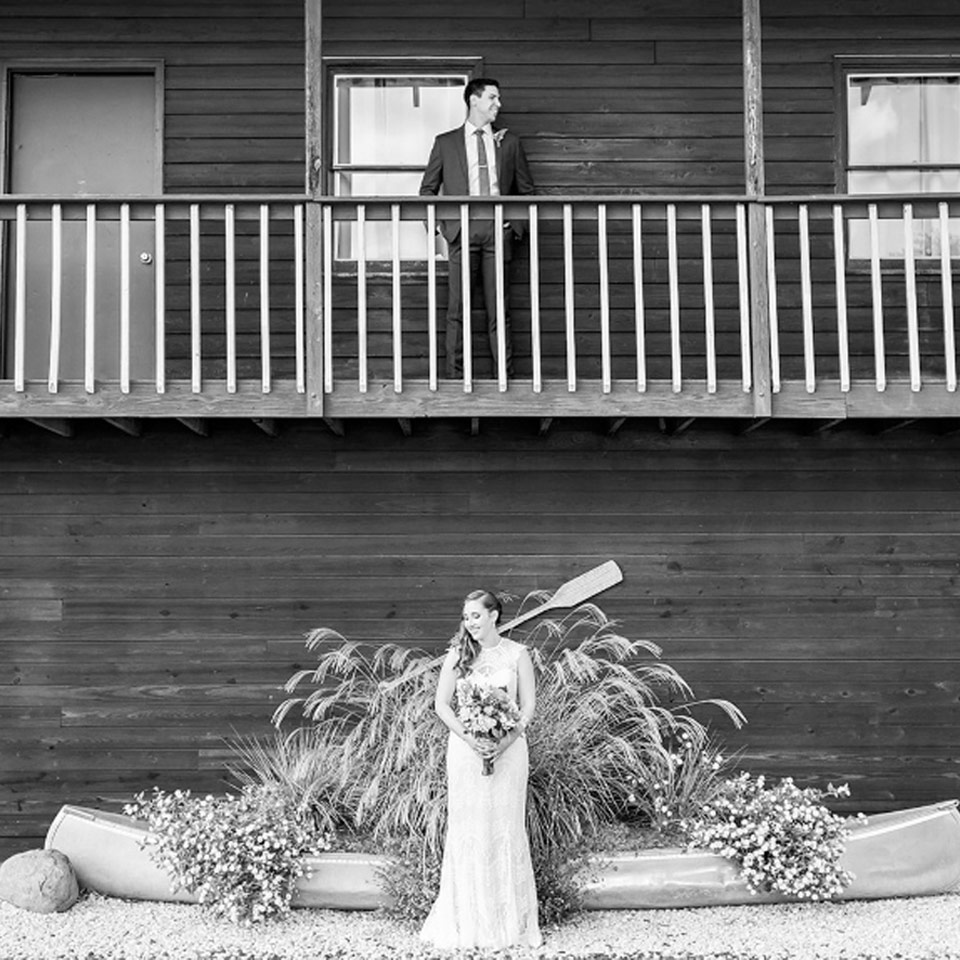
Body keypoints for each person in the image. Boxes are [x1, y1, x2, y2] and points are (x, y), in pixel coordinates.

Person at [419, 589, 542, 950]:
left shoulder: (518, 655)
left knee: (504, 828)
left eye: (476, 615)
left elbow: (528, 707)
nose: (470, 622)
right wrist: (471, 740)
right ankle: (467, 922)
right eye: (466, 617)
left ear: (494, 615)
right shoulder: (458, 655)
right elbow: (442, 705)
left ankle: (508, 924)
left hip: (509, 752)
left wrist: (504, 742)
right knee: (469, 829)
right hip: (465, 751)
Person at [419, 78, 536, 380]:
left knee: (499, 310)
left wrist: (515, 225)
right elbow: (428, 190)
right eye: (493, 98)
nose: (498, 104)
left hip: (498, 231)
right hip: (462, 231)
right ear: (474, 100)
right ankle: (455, 378)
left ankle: (504, 379)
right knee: (457, 309)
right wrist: (443, 227)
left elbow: (527, 192)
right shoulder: (445, 143)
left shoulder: (509, 143)